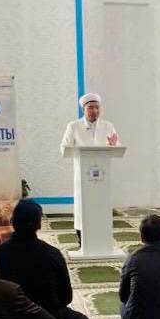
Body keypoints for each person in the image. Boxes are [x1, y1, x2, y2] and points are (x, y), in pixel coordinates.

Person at [0, 200, 96, 319]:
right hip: (49, 315)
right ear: (39, 225)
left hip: (13, 318)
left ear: (12, 221)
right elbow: (66, 297)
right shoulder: (52, 254)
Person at [59, 93, 120, 235]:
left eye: (97, 107)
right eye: (91, 107)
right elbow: (64, 148)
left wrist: (113, 145)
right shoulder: (74, 126)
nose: (95, 111)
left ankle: (102, 234)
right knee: (83, 205)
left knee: (101, 204)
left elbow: (118, 147)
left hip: (102, 176)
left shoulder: (108, 126)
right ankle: (81, 236)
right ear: (83, 110)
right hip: (83, 174)